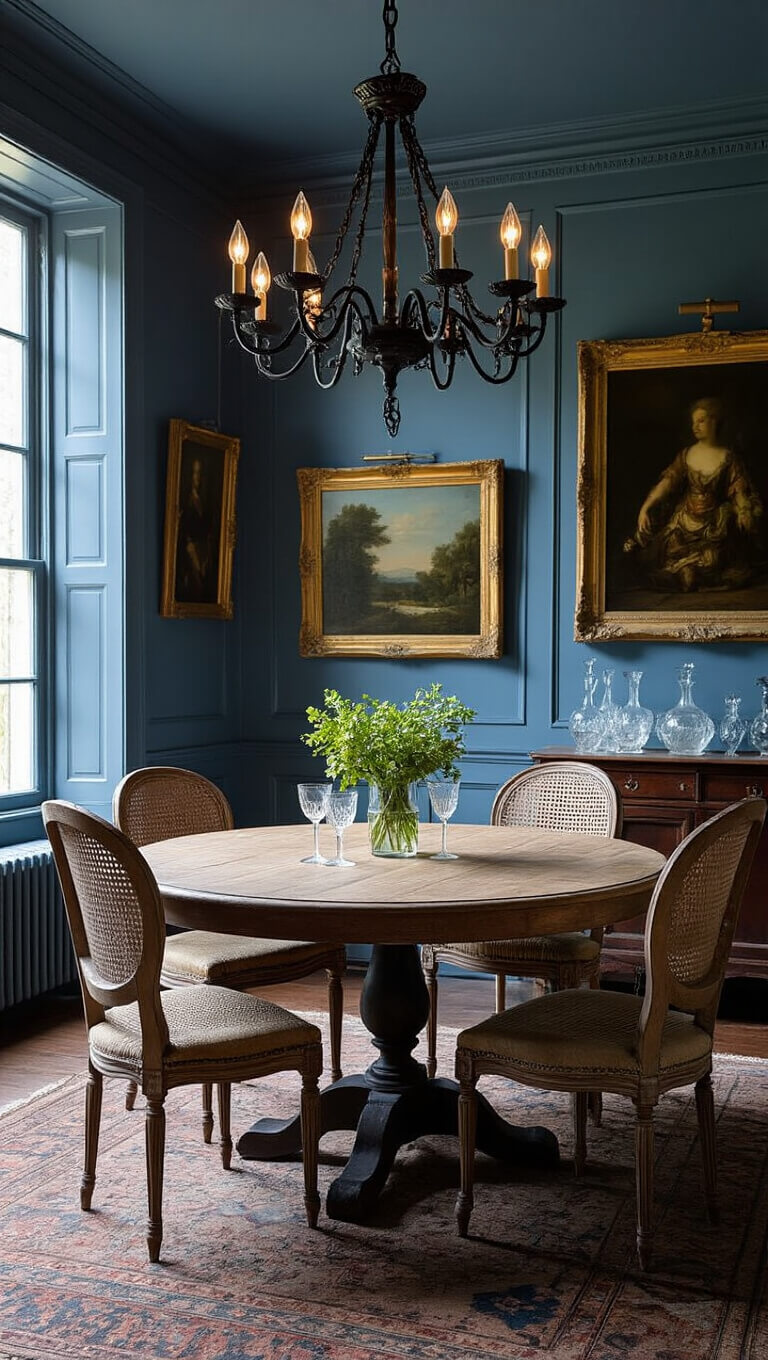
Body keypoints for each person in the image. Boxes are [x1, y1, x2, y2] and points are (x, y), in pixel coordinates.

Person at [623, 396, 762, 592]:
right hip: (683, 522)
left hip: (713, 527)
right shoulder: (686, 454)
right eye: (693, 422)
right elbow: (667, 482)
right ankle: (684, 573)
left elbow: (738, 489)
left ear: (714, 421)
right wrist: (646, 507)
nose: (695, 426)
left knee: (712, 560)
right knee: (670, 549)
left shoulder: (728, 457)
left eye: (701, 421)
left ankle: (690, 573)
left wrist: (744, 511)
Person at [176, 455, 217, 602]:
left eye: (200, 473)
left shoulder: (204, 502)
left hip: (203, 552)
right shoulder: (185, 502)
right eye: (195, 473)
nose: (197, 477)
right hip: (191, 550)